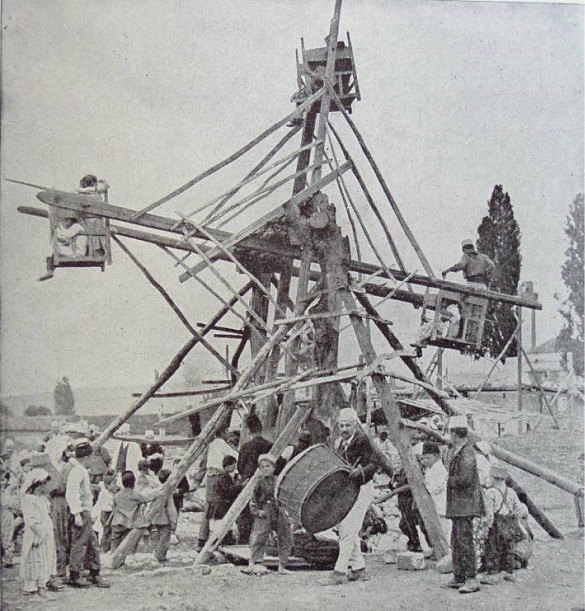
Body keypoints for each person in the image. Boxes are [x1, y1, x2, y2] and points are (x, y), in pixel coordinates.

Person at [322, 407, 377, 585]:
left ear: (354, 425)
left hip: (362, 489)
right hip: (347, 491)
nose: (344, 429)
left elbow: (374, 464)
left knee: (347, 528)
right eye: (341, 425)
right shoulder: (339, 443)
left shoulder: (362, 441)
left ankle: (339, 571)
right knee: (349, 529)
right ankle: (359, 569)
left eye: (347, 425)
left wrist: (360, 472)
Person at [444, 416, 485, 594]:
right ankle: (459, 575)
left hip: (465, 504)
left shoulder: (466, 452)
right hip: (460, 504)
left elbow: (466, 479)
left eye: (450, 432)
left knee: (464, 540)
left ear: (455, 433)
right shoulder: (460, 450)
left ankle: (471, 577)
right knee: (457, 539)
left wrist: (449, 480)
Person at [65, 438, 110, 588]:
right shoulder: (77, 472)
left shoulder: (82, 470)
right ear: (86, 457)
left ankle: (94, 572)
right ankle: (74, 575)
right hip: (81, 512)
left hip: (86, 511)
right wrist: (77, 514)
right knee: (80, 543)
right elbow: (72, 494)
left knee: (91, 543)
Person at [242, 454, 293, 576]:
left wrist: (287, 513)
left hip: (279, 510)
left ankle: (282, 565)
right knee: (259, 536)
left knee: (285, 536)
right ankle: (251, 564)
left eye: (268, 466)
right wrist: (257, 511)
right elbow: (253, 500)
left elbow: (286, 497)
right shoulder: (259, 483)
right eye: (263, 467)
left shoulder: (279, 481)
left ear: (273, 467)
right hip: (265, 511)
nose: (265, 469)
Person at [480, 465, 527, 585]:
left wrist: (487, 528)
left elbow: (489, 513)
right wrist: (513, 519)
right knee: (509, 547)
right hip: (509, 522)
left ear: (493, 478)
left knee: (493, 548)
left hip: (497, 522)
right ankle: (509, 572)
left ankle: (493, 573)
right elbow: (519, 509)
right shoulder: (511, 491)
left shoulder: (490, 492)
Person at [19, 468, 57, 601]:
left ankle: (42, 586)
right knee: (34, 560)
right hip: (36, 533)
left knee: (44, 560)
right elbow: (30, 520)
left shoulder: (42, 499)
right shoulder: (29, 499)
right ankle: (31, 590)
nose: (47, 486)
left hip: (45, 533)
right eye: (46, 483)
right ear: (40, 484)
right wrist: (39, 534)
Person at [197, 427, 238, 551]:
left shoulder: (211, 445)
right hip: (218, 476)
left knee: (209, 507)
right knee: (221, 506)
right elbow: (234, 455)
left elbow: (203, 463)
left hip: (210, 477)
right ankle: (220, 539)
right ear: (223, 432)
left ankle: (202, 540)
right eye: (227, 433)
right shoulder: (220, 443)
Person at [237, 414, 273, 544]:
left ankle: (243, 542)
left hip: (247, 484)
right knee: (263, 513)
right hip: (265, 484)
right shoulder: (269, 446)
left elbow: (240, 467)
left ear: (248, 431)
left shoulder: (245, 447)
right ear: (261, 428)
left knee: (246, 515)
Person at [110, 470, 151, 553]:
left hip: (116, 522)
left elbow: (113, 506)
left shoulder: (117, 495)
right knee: (129, 541)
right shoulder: (134, 494)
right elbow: (146, 499)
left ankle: (113, 556)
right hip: (128, 522)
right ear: (133, 482)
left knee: (115, 540)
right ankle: (129, 555)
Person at [420, 441, 451, 544]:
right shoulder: (431, 469)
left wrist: (426, 488)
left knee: (443, 530)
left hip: (441, 504)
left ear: (437, 456)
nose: (426, 461)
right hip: (435, 504)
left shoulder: (440, 469)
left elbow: (438, 487)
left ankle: (445, 551)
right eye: (424, 458)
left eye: (429, 458)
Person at [207, 456, 240, 545]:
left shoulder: (221, 476)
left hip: (219, 507)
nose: (234, 467)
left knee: (222, 531)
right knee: (222, 531)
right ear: (228, 466)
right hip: (221, 508)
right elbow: (229, 491)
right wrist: (241, 486)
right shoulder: (224, 477)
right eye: (233, 465)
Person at [150, 469, 178, 563]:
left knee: (156, 538)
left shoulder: (156, 490)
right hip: (165, 520)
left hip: (154, 519)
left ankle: (156, 553)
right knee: (164, 540)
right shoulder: (168, 492)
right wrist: (174, 521)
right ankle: (161, 557)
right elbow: (171, 509)